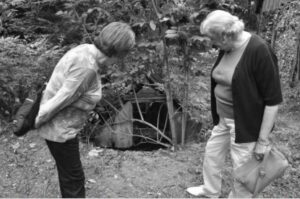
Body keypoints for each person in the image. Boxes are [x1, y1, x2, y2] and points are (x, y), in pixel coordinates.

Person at [186, 10, 282, 198]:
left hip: (246, 125)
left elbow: (273, 101)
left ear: (225, 35)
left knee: (243, 169)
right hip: (223, 119)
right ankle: (210, 189)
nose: (212, 44)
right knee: (212, 155)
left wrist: (262, 142)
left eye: (213, 39)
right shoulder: (227, 47)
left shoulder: (259, 50)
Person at [34, 22, 135, 198]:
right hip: (59, 131)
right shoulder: (87, 69)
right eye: (123, 55)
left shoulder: (86, 50)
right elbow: (58, 102)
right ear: (117, 52)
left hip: (63, 128)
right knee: (74, 180)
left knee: (69, 175)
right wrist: (33, 121)